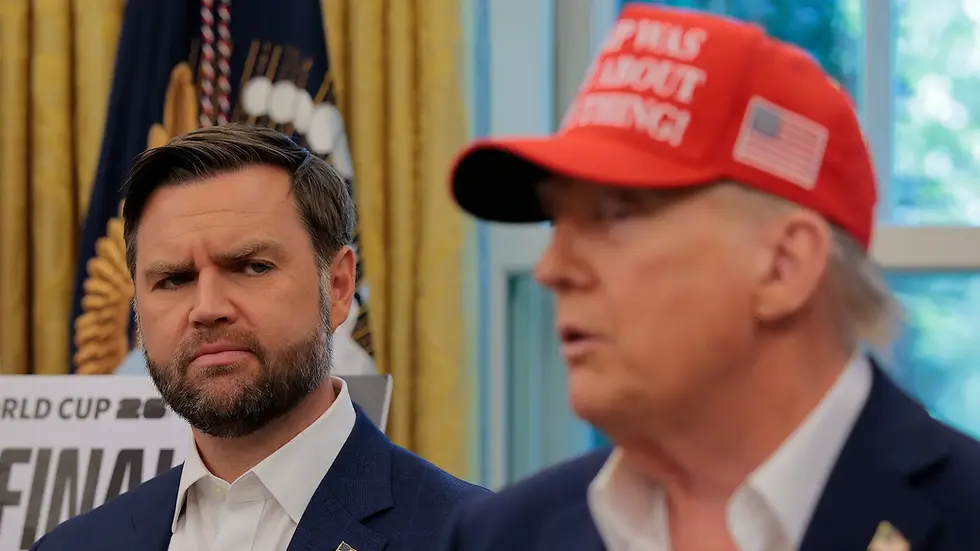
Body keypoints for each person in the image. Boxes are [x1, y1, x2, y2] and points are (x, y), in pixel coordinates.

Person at [439, 4, 980, 551]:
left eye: (616, 213)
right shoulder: (501, 535)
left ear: (783, 265)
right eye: (557, 221)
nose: (551, 269)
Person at [33, 124, 488, 551]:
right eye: (173, 279)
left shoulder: (477, 537)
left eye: (253, 267)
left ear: (339, 286)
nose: (208, 308)